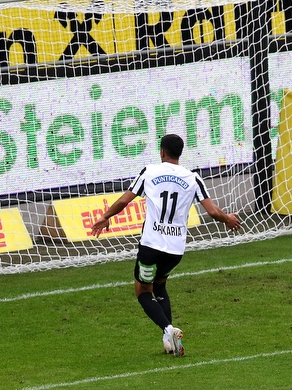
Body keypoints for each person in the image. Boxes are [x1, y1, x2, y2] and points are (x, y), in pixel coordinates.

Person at [90, 133, 241, 356]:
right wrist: (227, 218)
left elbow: (124, 200)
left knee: (142, 291)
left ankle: (168, 328)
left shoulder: (149, 172)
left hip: (151, 245)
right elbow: (211, 211)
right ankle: (169, 341)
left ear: (162, 151)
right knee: (159, 285)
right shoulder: (193, 178)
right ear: (180, 153)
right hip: (175, 250)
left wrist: (106, 216)